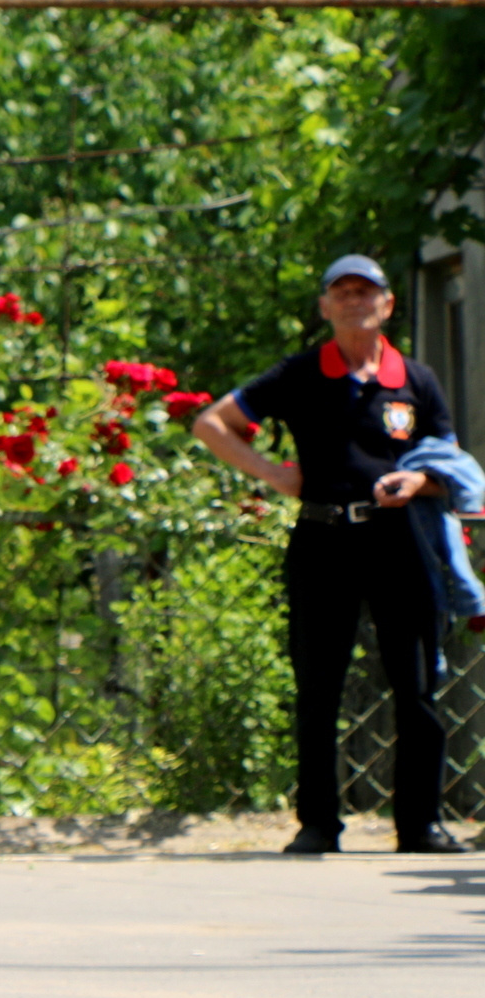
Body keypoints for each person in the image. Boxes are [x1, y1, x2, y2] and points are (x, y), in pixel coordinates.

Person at [192, 255, 471, 857]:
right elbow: (213, 422)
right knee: (318, 686)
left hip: (400, 543)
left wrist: (417, 485)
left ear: (387, 304)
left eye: (365, 291)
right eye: (341, 292)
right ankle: (318, 823)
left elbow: (447, 466)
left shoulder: (415, 380)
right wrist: (273, 473)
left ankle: (420, 825)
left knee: (416, 686)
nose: (353, 301)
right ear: (324, 306)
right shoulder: (300, 374)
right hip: (323, 541)